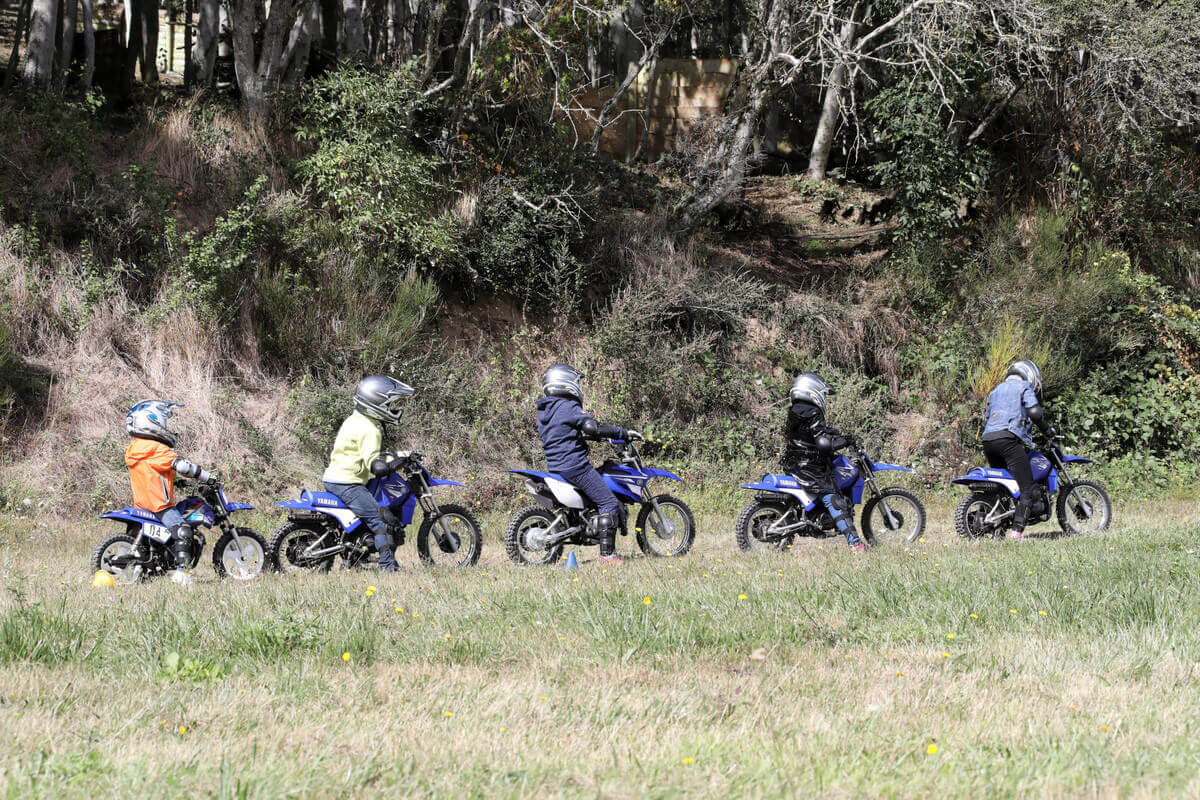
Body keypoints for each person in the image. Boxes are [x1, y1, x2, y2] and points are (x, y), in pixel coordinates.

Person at [536, 363, 642, 564]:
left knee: (594, 499)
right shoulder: (568, 407)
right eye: (576, 382)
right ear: (566, 384)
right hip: (575, 466)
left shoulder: (546, 411)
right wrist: (622, 433)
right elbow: (591, 426)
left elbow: (562, 434)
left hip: (557, 466)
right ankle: (607, 555)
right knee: (608, 502)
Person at [323, 375, 414, 572]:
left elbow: (363, 453)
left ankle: (354, 559)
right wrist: (399, 461)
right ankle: (387, 565)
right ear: (376, 403)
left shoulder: (355, 419)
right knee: (379, 520)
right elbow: (377, 468)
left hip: (334, 478)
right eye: (388, 404)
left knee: (366, 515)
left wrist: (391, 456)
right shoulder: (370, 429)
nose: (392, 408)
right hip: (348, 483)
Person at [125, 400, 216, 586]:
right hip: (160, 506)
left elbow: (154, 473)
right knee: (183, 531)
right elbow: (183, 466)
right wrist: (207, 477)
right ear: (153, 422)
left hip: (141, 506)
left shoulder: (136, 448)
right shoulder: (156, 449)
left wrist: (178, 482)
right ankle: (183, 574)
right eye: (163, 422)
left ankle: (149, 569)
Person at [782, 373, 867, 552]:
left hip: (795, 462)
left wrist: (837, 435)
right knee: (833, 498)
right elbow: (822, 443)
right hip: (811, 467)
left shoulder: (795, 410)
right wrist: (844, 442)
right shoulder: (813, 411)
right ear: (812, 391)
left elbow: (811, 434)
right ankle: (855, 544)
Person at [981, 359, 1054, 540]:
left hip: (988, 441)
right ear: (1030, 374)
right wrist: (1047, 430)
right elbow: (1035, 412)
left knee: (1003, 487)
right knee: (1027, 489)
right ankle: (1017, 533)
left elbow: (986, 420)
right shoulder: (1024, 387)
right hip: (1008, 440)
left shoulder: (995, 391)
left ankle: (998, 528)